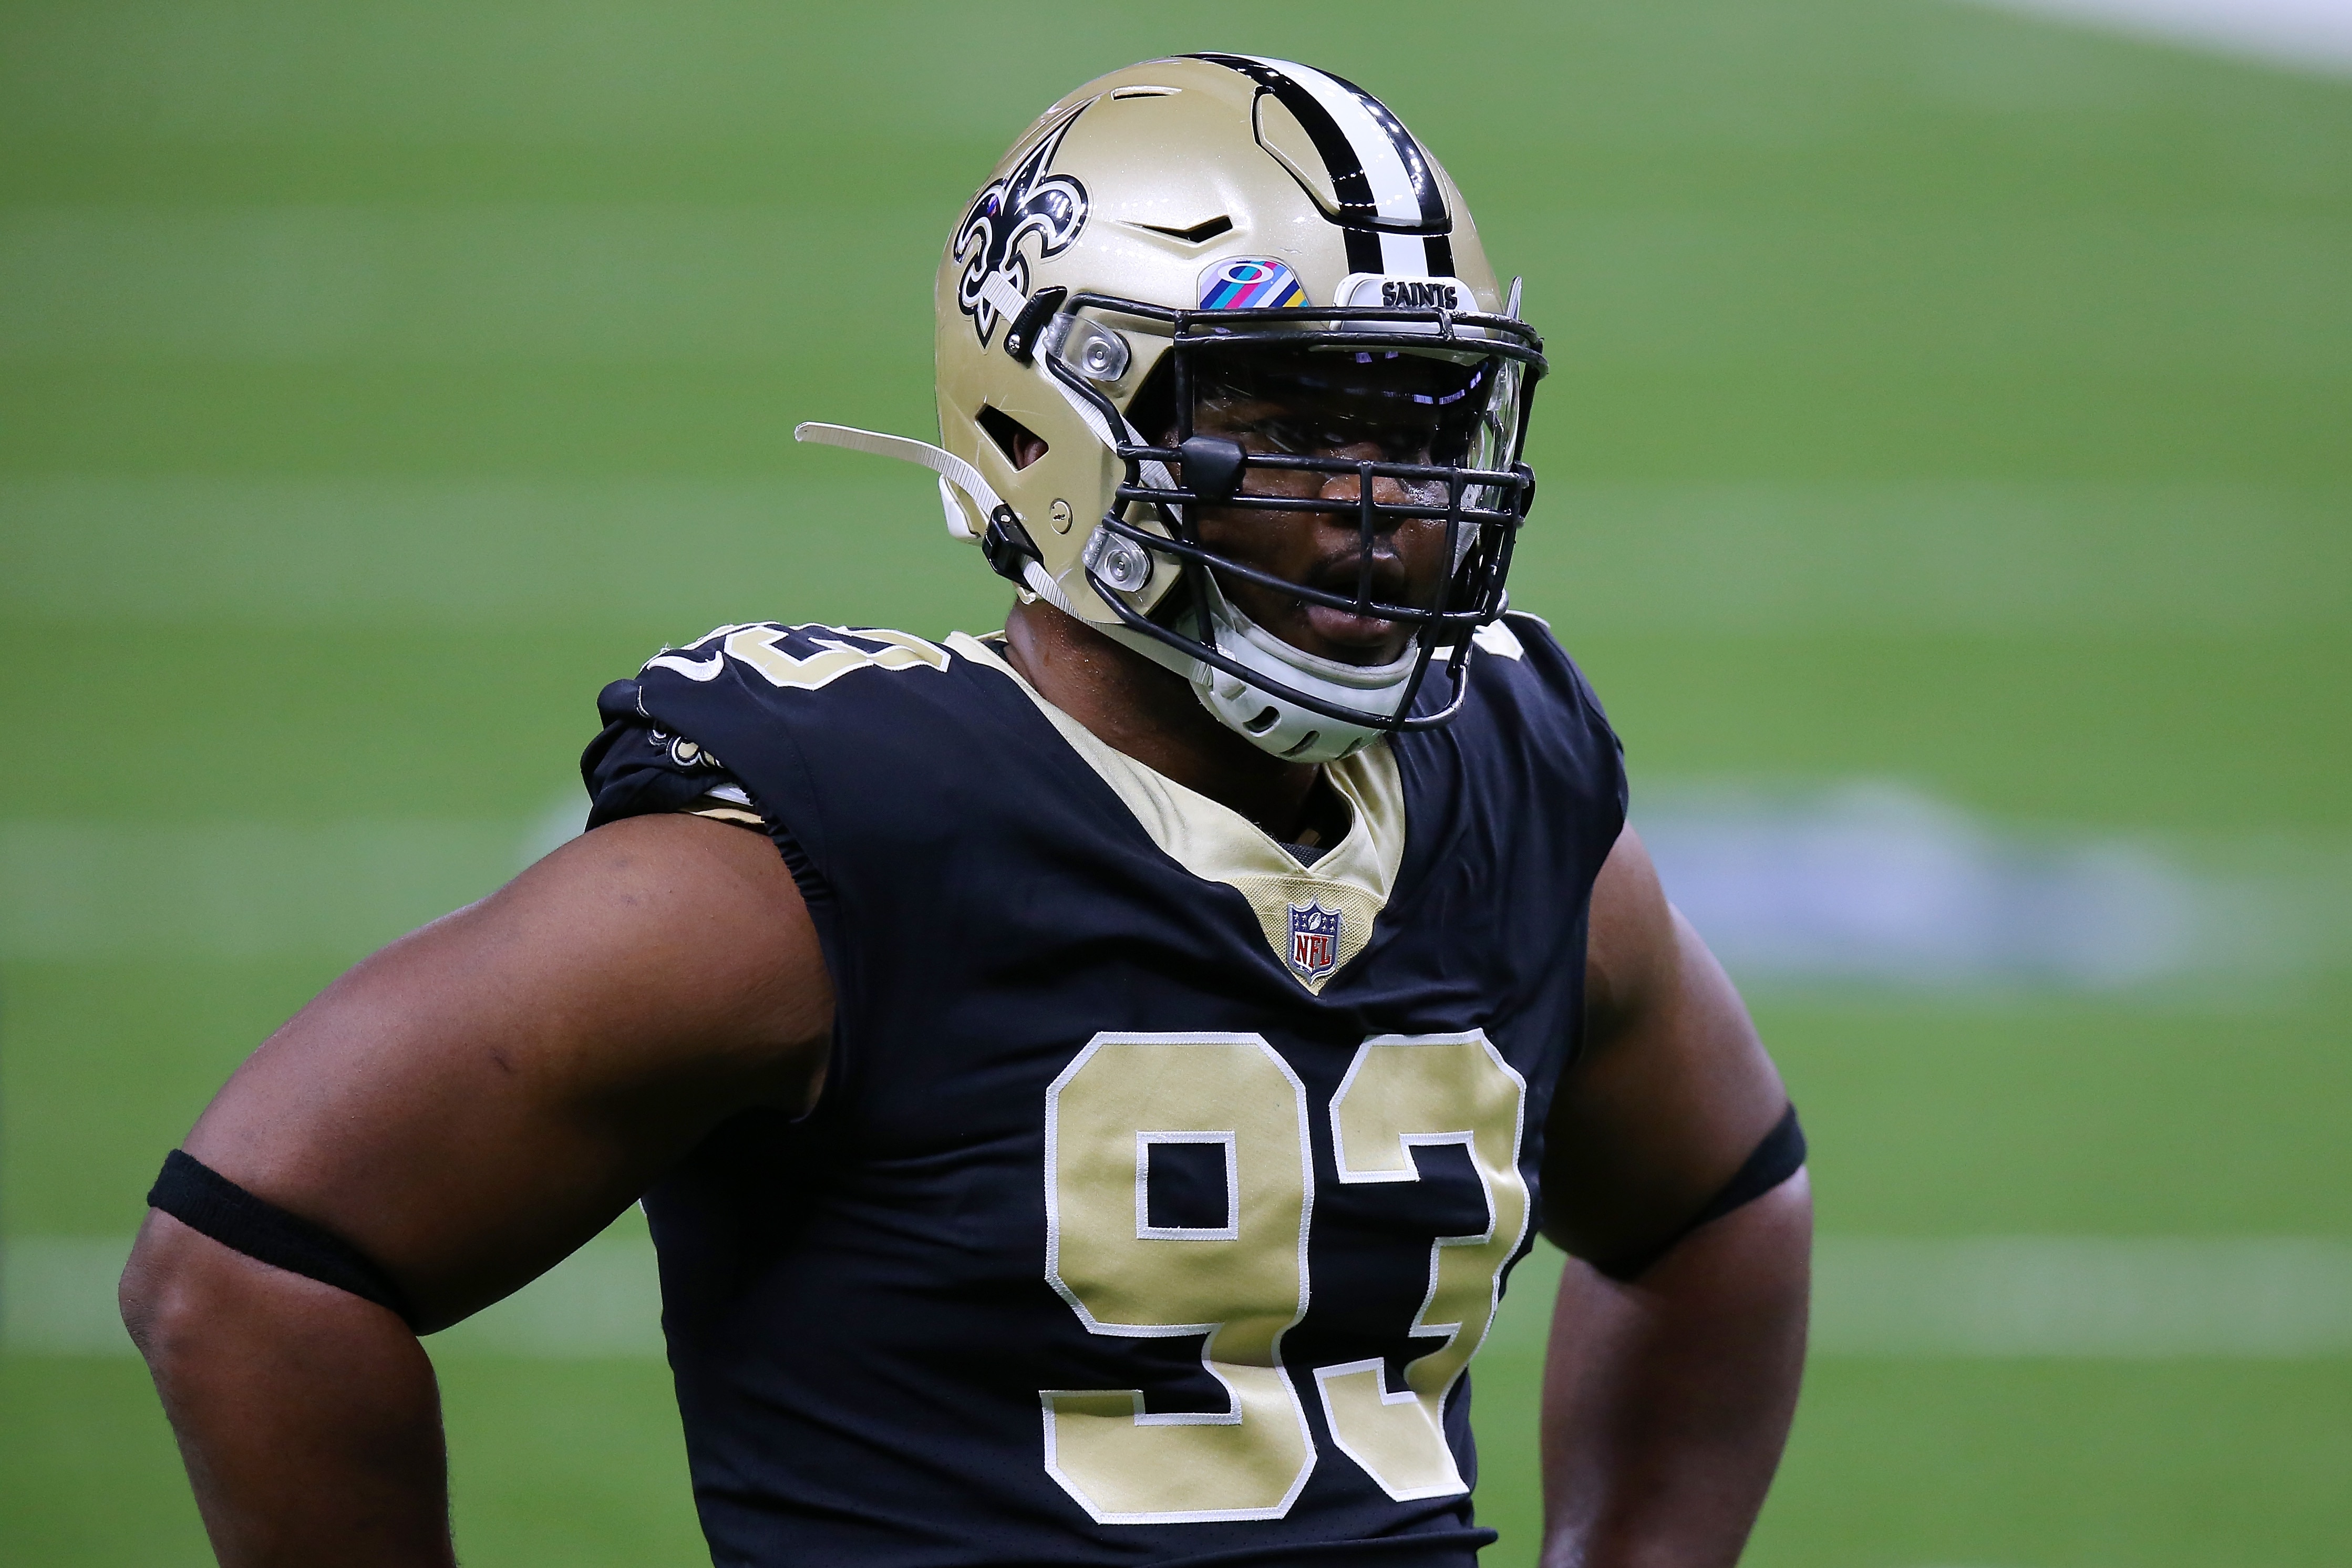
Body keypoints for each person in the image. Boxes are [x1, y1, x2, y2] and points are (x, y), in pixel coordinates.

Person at [120, 54, 1809, 1568]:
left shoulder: (1508, 785)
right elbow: (247, 1270)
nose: (1380, 504)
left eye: (1419, 418)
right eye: (1291, 421)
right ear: (1057, 418)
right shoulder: (832, 849)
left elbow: (1715, 1214)